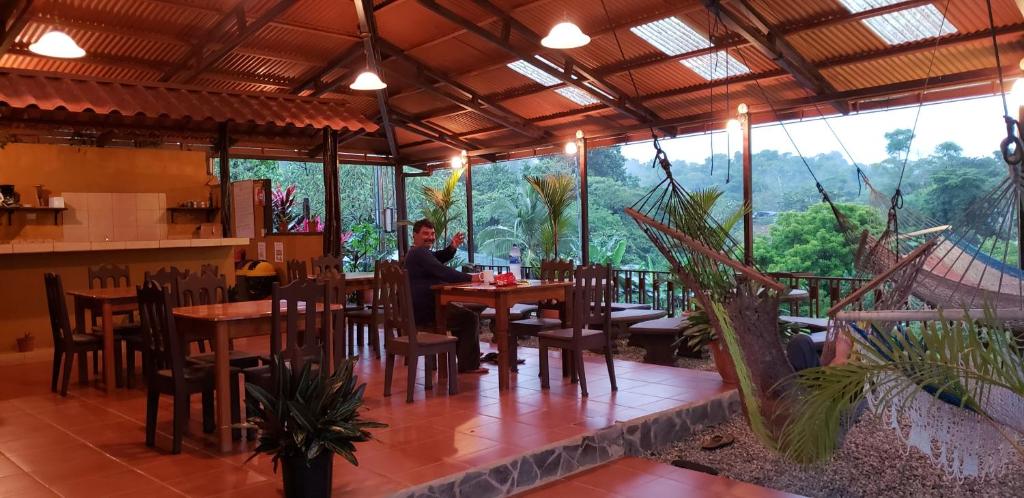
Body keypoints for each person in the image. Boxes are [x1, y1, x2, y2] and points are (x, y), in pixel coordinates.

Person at [404, 219, 488, 374]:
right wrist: (472, 278)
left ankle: (466, 356)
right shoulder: (419, 252)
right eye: (425, 234)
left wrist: (452, 247)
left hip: (421, 309)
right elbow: (440, 270)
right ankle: (468, 364)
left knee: (465, 312)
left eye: (432, 234)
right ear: (414, 235)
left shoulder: (416, 253)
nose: (430, 237)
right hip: (428, 311)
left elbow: (437, 258)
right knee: (469, 318)